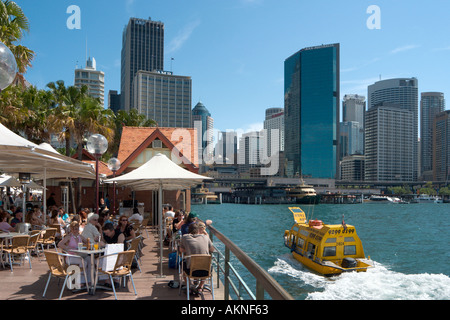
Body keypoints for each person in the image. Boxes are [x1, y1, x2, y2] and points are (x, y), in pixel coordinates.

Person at [179, 223, 215, 293]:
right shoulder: (205, 237)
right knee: (207, 264)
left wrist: (189, 249)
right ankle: (200, 286)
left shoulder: (185, 237)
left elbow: (181, 250)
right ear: (199, 230)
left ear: (189, 230)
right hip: (205, 271)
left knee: (182, 264)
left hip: (191, 271)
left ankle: (189, 287)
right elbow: (212, 250)